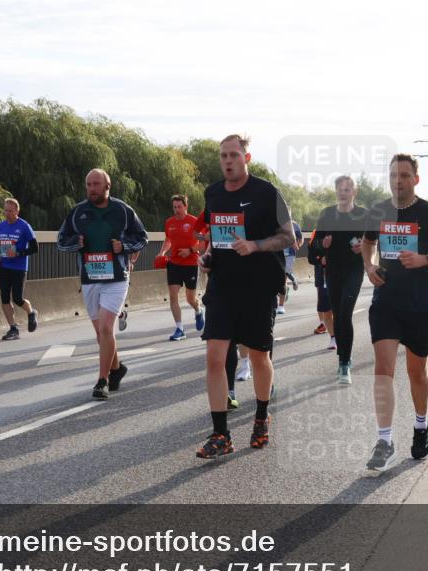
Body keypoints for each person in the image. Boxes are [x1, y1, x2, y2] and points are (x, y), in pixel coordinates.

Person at [196, 134, 294, 459]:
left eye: (234, 155)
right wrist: (208, 256)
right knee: (214, 357)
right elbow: (216, 238)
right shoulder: (213, 193)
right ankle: (220, 434)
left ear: (246, 158)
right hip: (222, 286)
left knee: (258, 356)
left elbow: (289, 238)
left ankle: (262, 415)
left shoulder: (267, 193)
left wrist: (256, 245)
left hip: (258, 286)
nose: (228, 161)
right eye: (223, 156)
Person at [361, 154, 428, 476]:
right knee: (383, 370)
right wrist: (369, 265)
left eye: (404, 175)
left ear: (416, 179)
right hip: (385, 301)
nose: (397, 180)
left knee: (417, 372)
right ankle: (384, 442)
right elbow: (368, 242)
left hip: (419, 304)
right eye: (393, 175)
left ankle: (421, 425)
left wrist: (424, 259)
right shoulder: (379, 211)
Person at [57, 168, 148, 399]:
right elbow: (61, 241)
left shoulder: (123, 210)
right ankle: (117, 368)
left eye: (96, 184)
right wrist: (76, 242)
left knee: (107, 328)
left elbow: (142, 238)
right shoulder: (78, 212)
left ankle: (102, 380)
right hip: (90, 278)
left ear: (108, 186)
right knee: (101, 334)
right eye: (88, 184)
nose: (92, 189)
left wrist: (124, 246)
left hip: (116, 278)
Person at [314, 175, 368, 383]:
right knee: (338, 315)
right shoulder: (327, 214)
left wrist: (363, 246)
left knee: (345, 313)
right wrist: (323, 244)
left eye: (347, 190)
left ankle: (345, 364)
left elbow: (374, 241)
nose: (343, 193)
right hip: (333, 271)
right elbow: (315, 244)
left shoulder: (363, 214)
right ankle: (342, 357)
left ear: (354, 192)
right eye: (340, 189)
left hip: (354, 270)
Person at [158, 194, 207, 341]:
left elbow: (203, 242)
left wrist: (190, 250)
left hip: (191, 263)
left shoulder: (194, 222)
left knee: (190, 298)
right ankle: (179, 328)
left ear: (186, 206)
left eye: (179, 207)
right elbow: (168, 239)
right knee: (173, 295)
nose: (177, 210)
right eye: (174, 207)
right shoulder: (169, 222)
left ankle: (198, 310)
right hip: (174, 263)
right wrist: (162, 252)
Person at [0, 198, 39, 340]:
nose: (7, 213)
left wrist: (18, 253)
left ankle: (31, 312)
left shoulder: (24, 226)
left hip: (19, 267)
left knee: (18, 298)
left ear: (17, 211)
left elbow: (35, 248)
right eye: (5, 210)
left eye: (10, 211)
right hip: (4, 267)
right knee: (5, 298)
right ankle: (13, 328)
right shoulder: (0, 226)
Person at [307, 227, 335, 348]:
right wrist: (320, 259)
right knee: (325, 305)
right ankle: (329, 332)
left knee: (340, 308)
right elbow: (311, 256)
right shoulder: (318, 232)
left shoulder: (345, 228)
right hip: (323, 273)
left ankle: (339, 334)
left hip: (342, 273)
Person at [277, 220, 304, 315]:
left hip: (289, 255)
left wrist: (298, 245)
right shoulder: (275, 223)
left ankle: (280, 306)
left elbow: (301, 238)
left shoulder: (295, 225)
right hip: (278, 253)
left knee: (283, 277)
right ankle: (290, 283)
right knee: (278, 278)